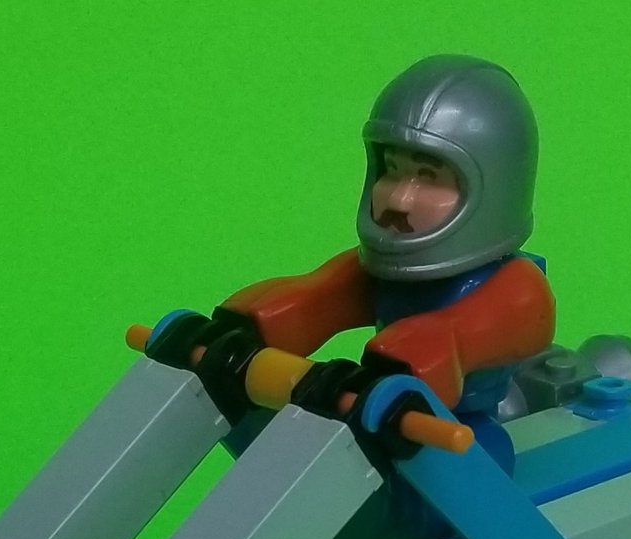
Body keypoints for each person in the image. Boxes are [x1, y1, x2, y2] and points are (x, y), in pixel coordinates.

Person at [219, 54, 555, 473]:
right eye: (392, 171)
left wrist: (427, 351)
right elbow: (321, 296)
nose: (398, 199)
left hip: (458, 431)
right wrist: (248, 332)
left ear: (494, 189)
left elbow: (464, 333)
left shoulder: (515, 287)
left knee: (458, 467)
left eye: (428, 178)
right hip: (389, 418)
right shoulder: (383, 269)